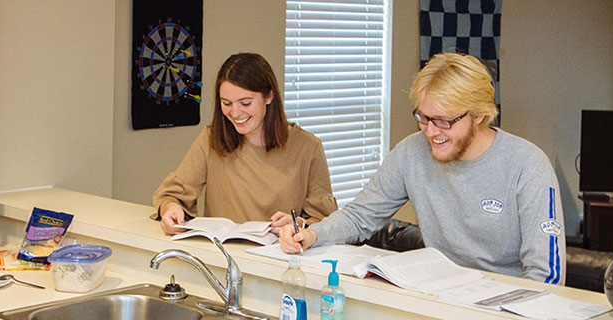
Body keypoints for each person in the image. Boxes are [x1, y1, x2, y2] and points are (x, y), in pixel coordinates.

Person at [277, 53, 566, 284]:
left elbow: (546, 274)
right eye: (424, 117)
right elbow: (360, 216)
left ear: (478, 115)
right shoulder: (412, 152)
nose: (430, 132)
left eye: (444, 121)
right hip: (438, 295)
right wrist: (314, 234)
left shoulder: (527, 165)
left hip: (503, 306)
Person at [153, 53, 338, 235]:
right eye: (226, 103)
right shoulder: (212, 139)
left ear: (268, 97)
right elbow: (172, 195)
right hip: (222, 257)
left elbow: (326, 224)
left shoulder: (308, 147)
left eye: (245, 103)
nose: (235, 113)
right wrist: (170, 209)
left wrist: (298, 224)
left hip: (280, 258)